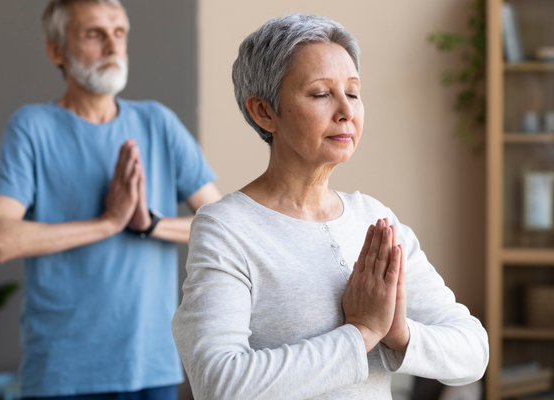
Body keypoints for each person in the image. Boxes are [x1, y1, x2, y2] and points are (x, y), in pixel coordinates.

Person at [171, 13, 488, 400]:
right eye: (321, 93)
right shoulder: (226, 228)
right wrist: (361, 334)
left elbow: (474, 351)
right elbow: (220, 383)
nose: (346, 111)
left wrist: (397, 333)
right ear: (264, 112)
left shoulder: (375, 220)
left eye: (353, 93)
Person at [0, 0, 220, 399]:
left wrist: (150, 224)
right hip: (61, 373)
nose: (112, 47)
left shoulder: (157, 122)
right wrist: (108, 222)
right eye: (94, 34)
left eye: (119, 33)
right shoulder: (31, 127)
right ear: (56, 50)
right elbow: (0, 240)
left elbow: (224, 224)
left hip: (152, 367)